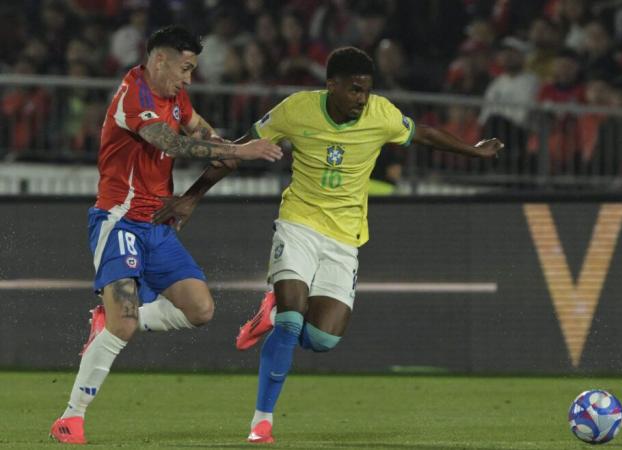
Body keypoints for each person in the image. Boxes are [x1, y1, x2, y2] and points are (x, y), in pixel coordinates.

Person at [153, 46, 503, 444]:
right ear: (331, 85)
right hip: (298, 224)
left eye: (366, 91)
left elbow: (423, 134)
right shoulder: (296, 110)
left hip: (345, 237)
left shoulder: (381, 114)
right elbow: (239, 149)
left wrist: (472, 151)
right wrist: (193, 195)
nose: (361, 99)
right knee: (290, 320)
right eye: (354, 90)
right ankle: (261, 423)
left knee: (322, 339)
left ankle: (269, 313)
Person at [49, 25, 282, 445]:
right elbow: (168, 143)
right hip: (118, 218)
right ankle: (71, 417)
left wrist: (212, 149)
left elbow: (197, 129)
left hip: (156, 223)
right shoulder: (133, 94)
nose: (189, 78)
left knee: (200, 310)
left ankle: (108, 323)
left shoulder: (175, 95)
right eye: (186, 68)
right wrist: (234, 150)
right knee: (124, 324)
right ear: (160, 60)